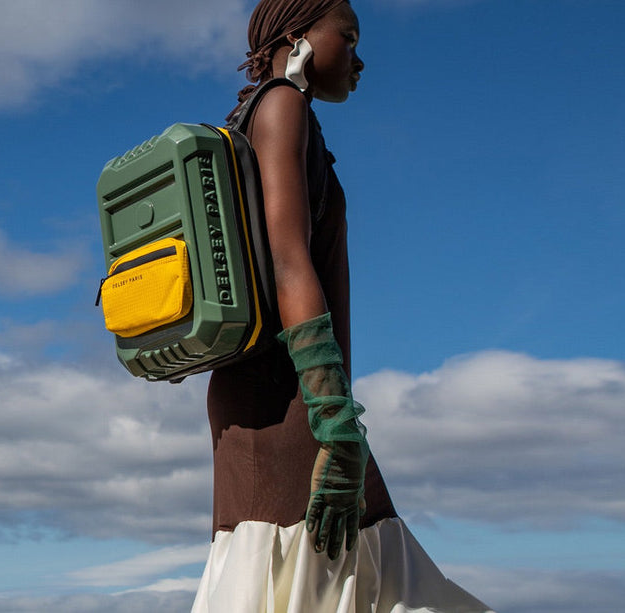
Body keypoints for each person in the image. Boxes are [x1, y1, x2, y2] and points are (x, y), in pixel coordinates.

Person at [192, 1, 494, 611]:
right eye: (348, 37)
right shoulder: (283, 106)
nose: (359, 59)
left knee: (366, 584)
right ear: (298, 35)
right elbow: (288, 262)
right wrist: (335, 420)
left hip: (274, 398)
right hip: (291, 405)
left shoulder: (256, 116)